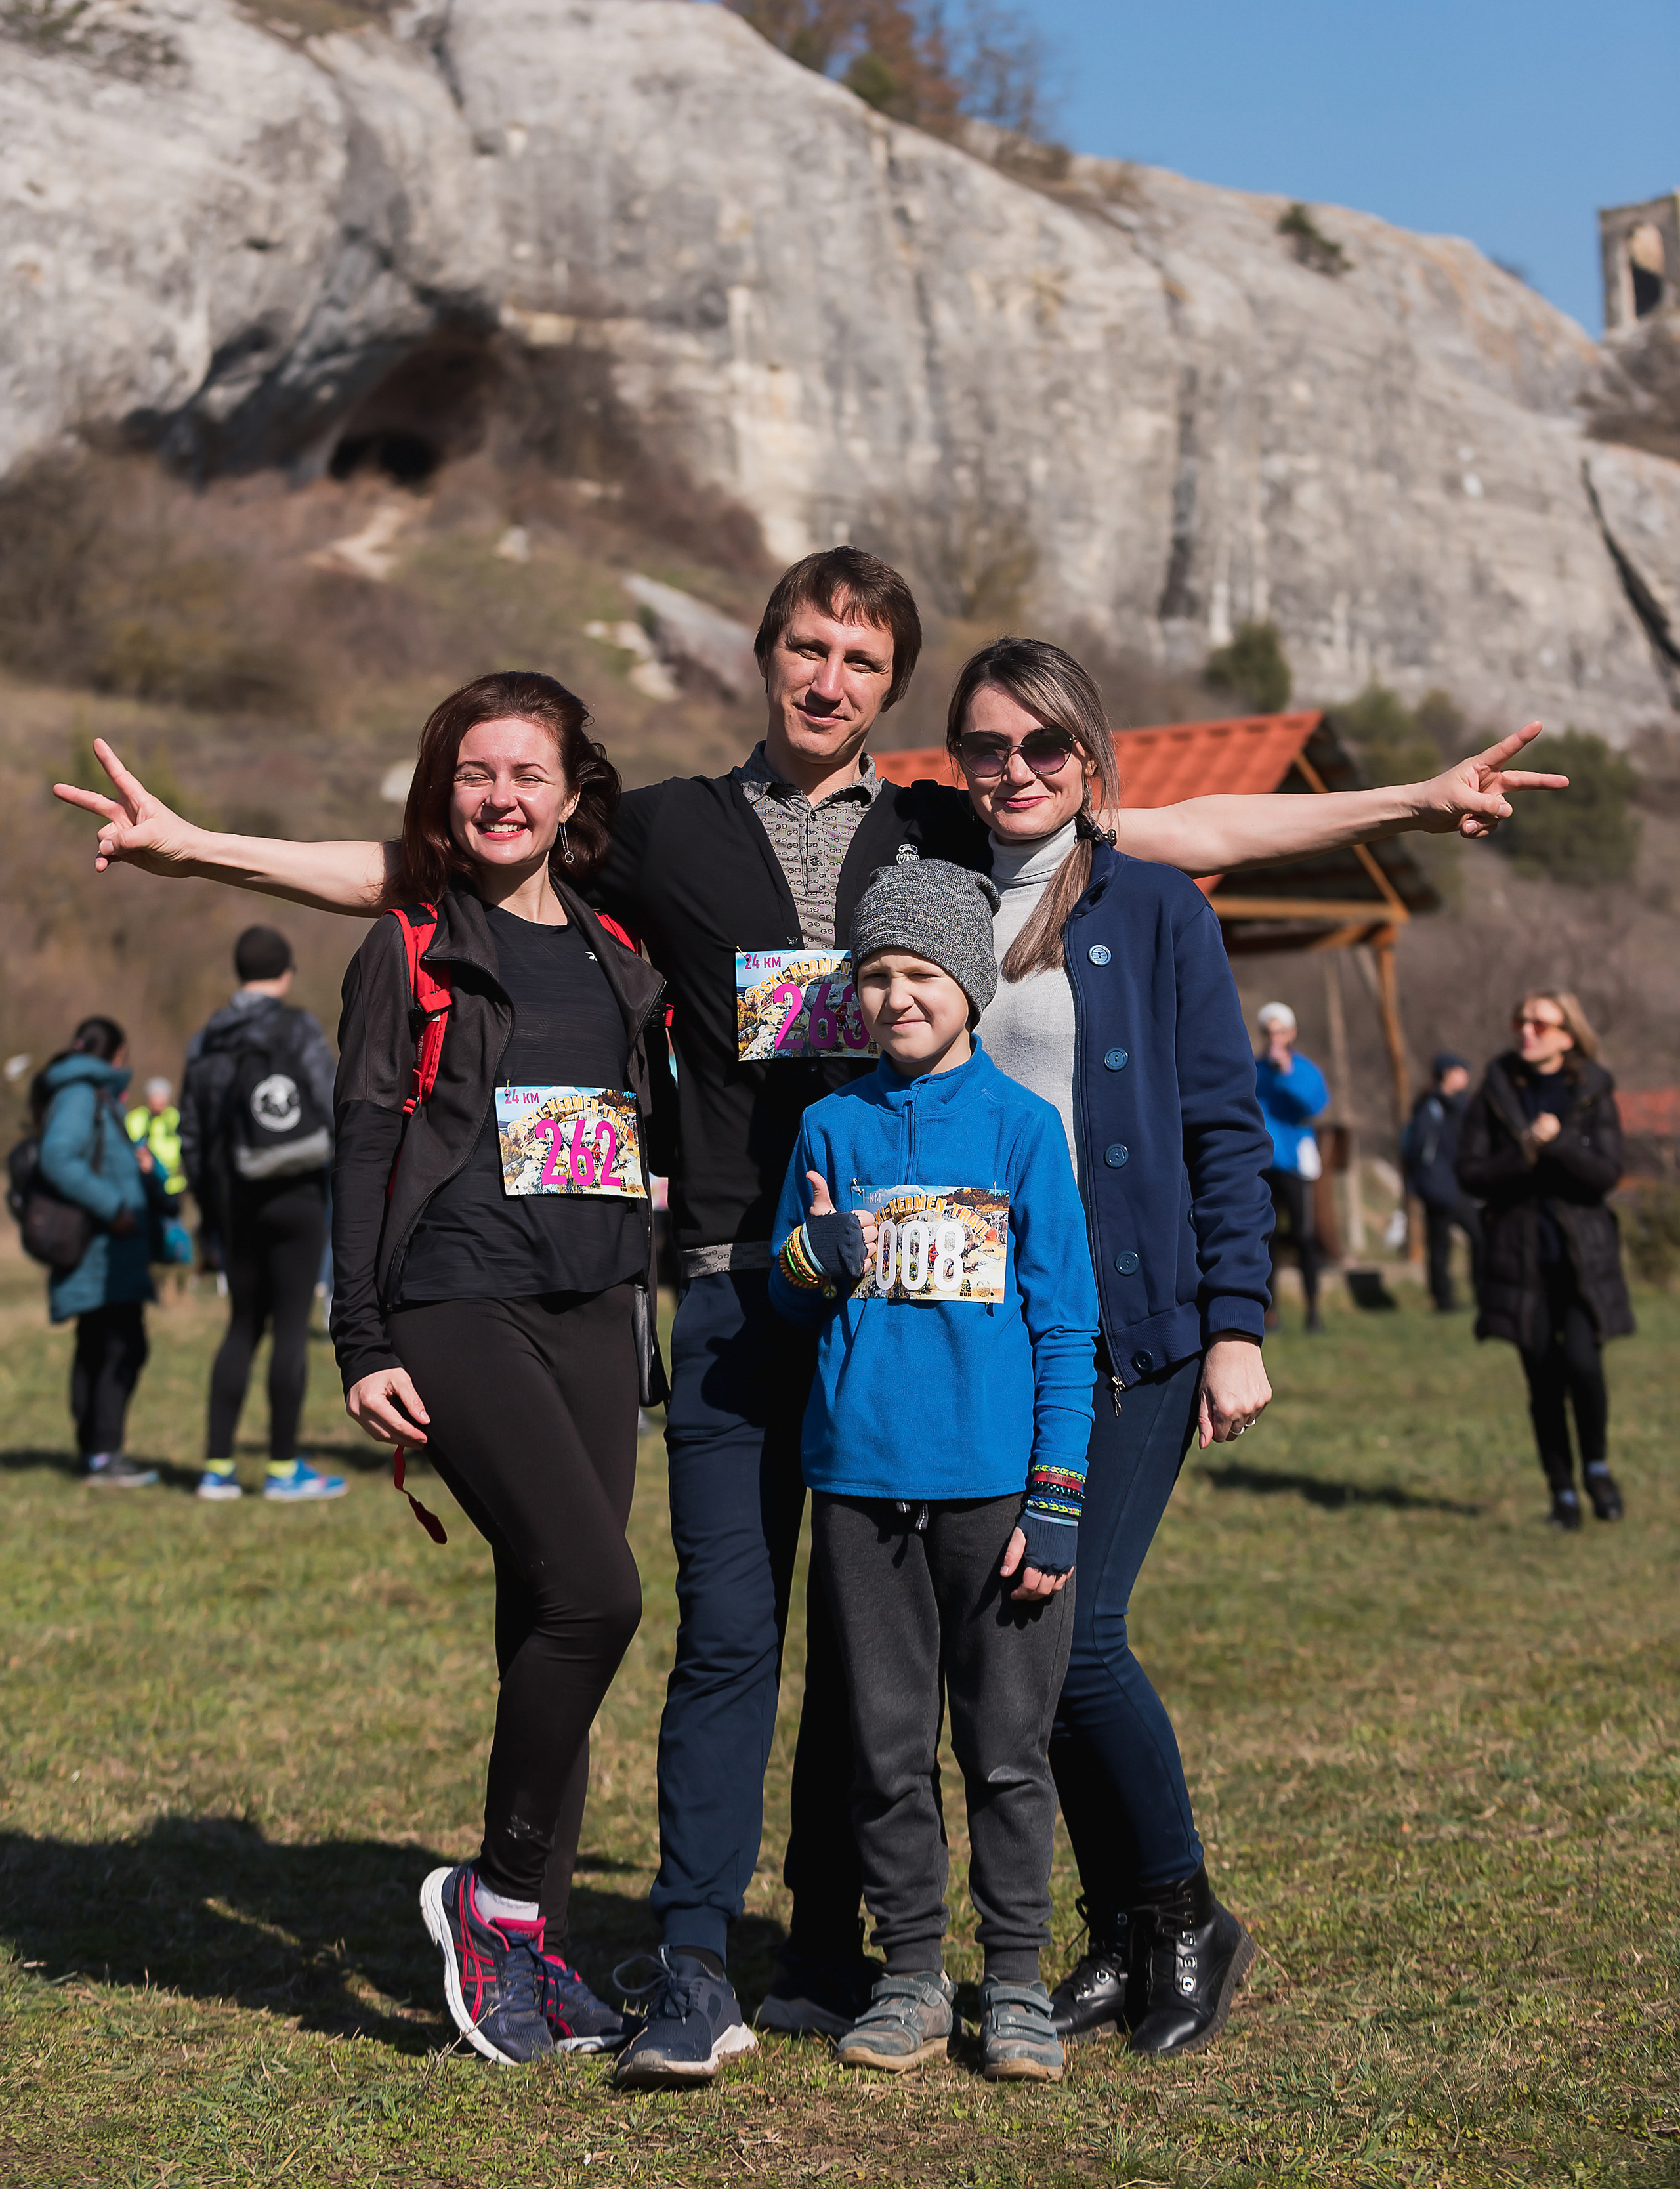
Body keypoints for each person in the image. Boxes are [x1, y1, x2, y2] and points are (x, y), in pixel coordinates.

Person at [52, 557, 1568, 2070]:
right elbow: (415, 870)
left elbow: (1180, 832)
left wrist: (1404, 804)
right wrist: (195, 851)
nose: (827, 673)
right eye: (804, 644)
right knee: (726, 1636)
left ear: (887, 681)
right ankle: (696, 1952)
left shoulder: (935, 823)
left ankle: (847, 1946)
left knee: (874, 1655)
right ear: (764, 653)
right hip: (726, 1284)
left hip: (900, 1314)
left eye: (859, 654)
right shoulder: (652, 829)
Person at [944, 639, 1273, 2057]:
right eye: (983, 747)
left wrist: (1236, 1327)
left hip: (1134, 1327)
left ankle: (1186, 1915)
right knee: (1022, 1635)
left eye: (1041, 747)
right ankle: (1115, 1935)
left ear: (1088, 758)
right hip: (987, 1326)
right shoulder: (939, 900)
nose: (1012, 771)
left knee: (1077, 1639)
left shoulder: (1152, 906)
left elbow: (1219, 1124)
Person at [334, 670, 665, 2065]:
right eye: (476, 772)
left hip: (596, 1305)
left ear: (572, 791)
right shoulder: (410, 943)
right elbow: (360, 1140)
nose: (501, 795)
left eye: (527, 772)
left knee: (547, 1618)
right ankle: (495, 1895)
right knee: (598, 1595)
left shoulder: (614, 944)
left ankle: (526, 1955)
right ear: (443, 791)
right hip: (458, 1296)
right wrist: (362, 1341)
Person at [762, 858, 1097, 2086]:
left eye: (920, 975)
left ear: (968, 982)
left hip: (996, 1495)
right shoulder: (830, 1126)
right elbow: (789, 1301)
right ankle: (910, 1972)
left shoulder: (1021, 1131)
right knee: (884, 1749)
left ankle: (1015, 1981)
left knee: (1007, 1747)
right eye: (876, 976)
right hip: (858, 1486)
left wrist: (1055, 1500)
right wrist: (812, 1257)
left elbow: (1066, 1326)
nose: (896, 997)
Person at [1457, 990, 1633, 1529]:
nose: (1526, 1030)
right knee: (1542, 1380)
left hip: (1581, 1256)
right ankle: (1563, 1493)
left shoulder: (1593, 1088)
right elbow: (1470, 1174)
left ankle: (1597, 1468)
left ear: (1567, 1035)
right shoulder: (1496, 1088)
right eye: (1520, 1020)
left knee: (1583, 1364)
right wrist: (1525, 1151)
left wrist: (1555, 1146)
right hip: (1520, 1256)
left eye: (1539, 1022)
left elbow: (1606, 1172)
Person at [180, 927, 345, 1503]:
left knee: (241, 1325)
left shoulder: (207, 1038)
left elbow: (192, 1133)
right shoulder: (297, 1026)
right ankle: (282, 1469)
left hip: (233, 1198)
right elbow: (330, 1105)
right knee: (291, 1327)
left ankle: (217, 1468)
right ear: (286, 972)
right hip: (296, 1193)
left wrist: (209, 1205)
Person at [34, 1017, 167, 1486]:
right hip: (100, 1248)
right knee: (118, 1347)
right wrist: (113, 1206)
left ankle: (94, 1451)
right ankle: (103, 1454)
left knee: (101, 1345)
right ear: (116, 1054)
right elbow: (58, 1156)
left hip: (111, 1250)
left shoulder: (90, 1093)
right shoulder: (80, 1094)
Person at [1253, 1003, 1329, 1335]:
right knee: (1264, 1239)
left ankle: (1313, 1311)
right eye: (1270, 1034)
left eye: (1281, 1033)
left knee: (1304, 1237)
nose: (1276, 1040)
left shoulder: (1304, 1070)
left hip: (1295, 1166)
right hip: (1264, 1165)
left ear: (1292, 1033)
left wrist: (1286, 1074)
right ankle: (1271, 1314)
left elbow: (1314, 1104)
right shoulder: (1253, 1070)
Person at [1402, 1052, 1481, 1313]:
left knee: (1471, 1238)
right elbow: (1417, 1149)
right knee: (1442, 1244)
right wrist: (1426, 1181)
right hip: (1439, 1187)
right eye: (1461, 1070)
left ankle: (1476, 1294)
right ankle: (1444, 1300)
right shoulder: (1431, 1107)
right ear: (1448, 1074)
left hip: (1459, 1184)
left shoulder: (1464, 1105)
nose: (1465, 1076)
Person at [126, 1074, 193, 1304]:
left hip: (173, 1187)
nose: (158, 1101)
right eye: (155, 1096)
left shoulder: (177, 1120)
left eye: (162, 1096)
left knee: (174, 1235)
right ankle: (152, 1286)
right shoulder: (135, 1119)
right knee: (147, 1234)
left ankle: (177, 1285)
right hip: (144, 1188)